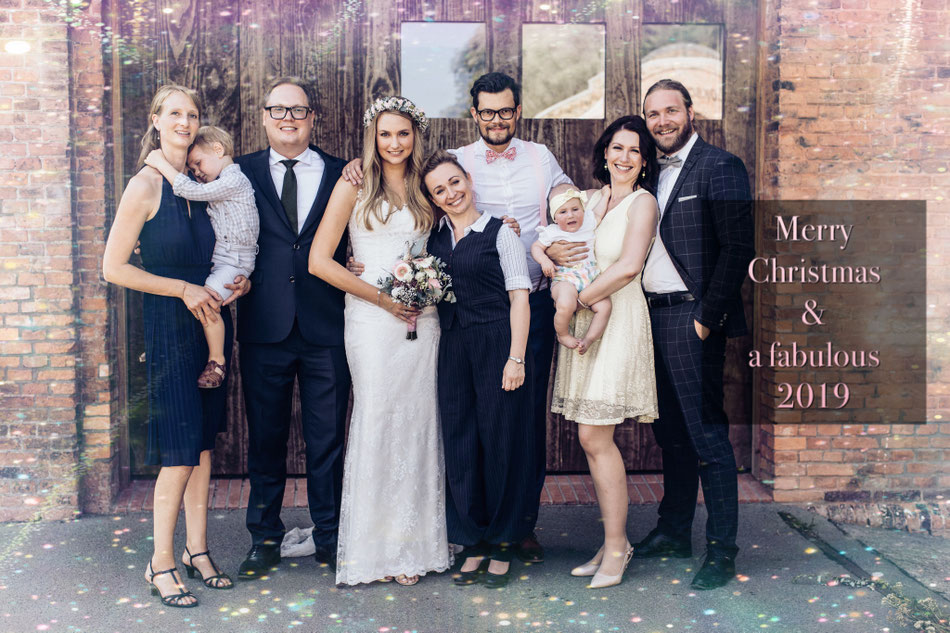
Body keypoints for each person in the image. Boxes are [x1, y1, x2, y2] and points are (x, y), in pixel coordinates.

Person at [344, 72, 571, 562]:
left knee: (519, 428)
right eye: (487, 111)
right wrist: (360, 261)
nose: (496, 118)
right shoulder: (455, 163)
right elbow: (412, 235)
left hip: (528, 302)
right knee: (464, 430)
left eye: (505, 110)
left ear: (517, 110)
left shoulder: (542, 159)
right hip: (455, 327)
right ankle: (475, 533)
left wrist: (551, 243)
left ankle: (518, 528)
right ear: (474, 114)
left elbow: (568, 205)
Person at [103, 85, 241, 607]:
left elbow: (221, 252)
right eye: (175, 113)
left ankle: (197, 551)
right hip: (167, 324)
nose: (185, 122)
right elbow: (113, 268)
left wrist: (234, 282)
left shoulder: (201, 183)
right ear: (157, 120)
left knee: (203, 446)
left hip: (208, 322)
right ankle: (160, 561)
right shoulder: (146, 185)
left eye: (193, 114)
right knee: (179, 451)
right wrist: (181, 287)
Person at [309, 96, 451, 586]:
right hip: (371, 322)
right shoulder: (353, 185)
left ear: (416, 137)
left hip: (422, 319)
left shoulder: (427, 187)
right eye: (385, 134)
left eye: (403, 134)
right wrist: (382, 299)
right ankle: (375, 548)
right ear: (372, 136)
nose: (394, 143)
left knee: (417, 422)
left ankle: (413, 545)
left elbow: (457, 228)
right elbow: (320, 261)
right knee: (378, 418)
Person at [631, 79, 754, 590]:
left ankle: (722, 550)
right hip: (648, 317)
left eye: (670, 111)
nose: (661, 121)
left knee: (706, 437)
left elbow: (738, 247)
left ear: (689, 112)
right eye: (653, 114)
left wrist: (708, 316)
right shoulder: (646, 174)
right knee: (671, 436)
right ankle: (674, 530)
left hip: (691, 318)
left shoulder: (720, 166)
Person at [232, 77, 350, 579]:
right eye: (277, 110)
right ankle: (264, 537)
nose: (287, 118)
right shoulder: (239, 172)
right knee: (266, 439)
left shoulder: (345, 173)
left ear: (312, 118)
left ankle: (330, 536)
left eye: (297, 110)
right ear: (264, 117)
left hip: (327, 325)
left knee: (328, 440)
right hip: (264, 325)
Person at [548, 115, 660, 589]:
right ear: (605, 152)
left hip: (618, 316)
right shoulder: (589, 200)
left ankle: (618, 545)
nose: (624, 157)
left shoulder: (643, 202)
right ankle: (610, 540)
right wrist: (550, 257)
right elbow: (562, 242)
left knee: (596, 437)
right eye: (618, 147)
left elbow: (630, 265)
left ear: (645, 160)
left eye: (635, 150)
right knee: (590, 436)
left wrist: (585, 297)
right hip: (586, 316)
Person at [423, 150, 535, 589]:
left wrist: (516, 357)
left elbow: (520, 297)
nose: (450, 193)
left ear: (468, 179)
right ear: (432, 198)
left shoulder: (498, 232)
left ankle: (505, 541)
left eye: (454, 182)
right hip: (452, 347)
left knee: (501, 440)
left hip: (496, 344)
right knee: (461, 440)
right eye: (439, 190)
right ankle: (472, 541)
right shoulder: (434, 239)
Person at [144, 125, 258, 389]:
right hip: (223, 256)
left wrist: (162, 163)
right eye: (192, 169)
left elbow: (191, 191)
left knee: (209, 297)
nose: (196, 172)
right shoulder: (221, 182)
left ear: (218, 150)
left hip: (234, 261)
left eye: (198, 163)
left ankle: (216, 360)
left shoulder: (233, 180)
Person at [531, 184, 611, 354]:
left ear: (583, 209)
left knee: (605, 307)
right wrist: (544, 260)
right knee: (566, 303)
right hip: (565, 279)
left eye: (575, 209)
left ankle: (589, 338)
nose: (571, 215)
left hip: (590, 277)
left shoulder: (588, 222)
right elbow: (536, 248)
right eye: (563, 212)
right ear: (555, 217)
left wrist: (605, 196)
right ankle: (563, 334)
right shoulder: (551, 232)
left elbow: (598, 213)